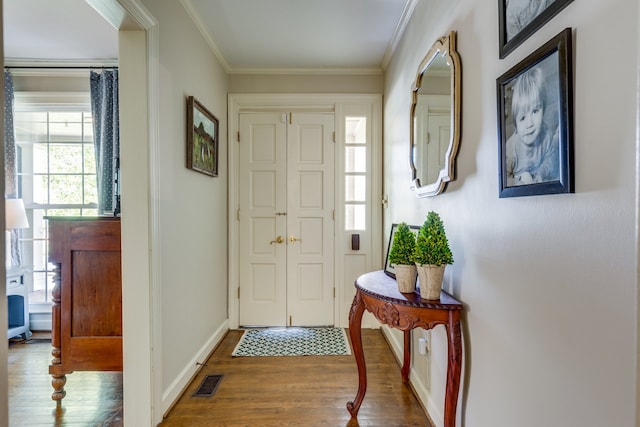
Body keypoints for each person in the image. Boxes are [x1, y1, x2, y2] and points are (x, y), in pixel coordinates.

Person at [505, 66, 559, 186]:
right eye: (523, 118)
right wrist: (515, 183)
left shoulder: (546, 134)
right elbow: (502, 179)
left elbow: (550, 159)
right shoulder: (510, 148)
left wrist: (541, 173)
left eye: (535, 111)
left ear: (543, 110)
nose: (529, 124)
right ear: (516, 124)